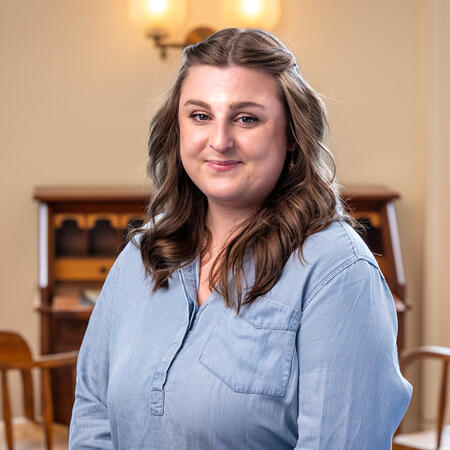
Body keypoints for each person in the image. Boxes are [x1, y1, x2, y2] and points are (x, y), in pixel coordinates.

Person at [69, 28, 412, 449]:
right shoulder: (143, 253)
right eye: (200, 116)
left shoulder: (338, 273)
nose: (219, 140)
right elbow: (93, 417)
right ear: (177, 129)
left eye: (246, 117)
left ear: (290, 136)